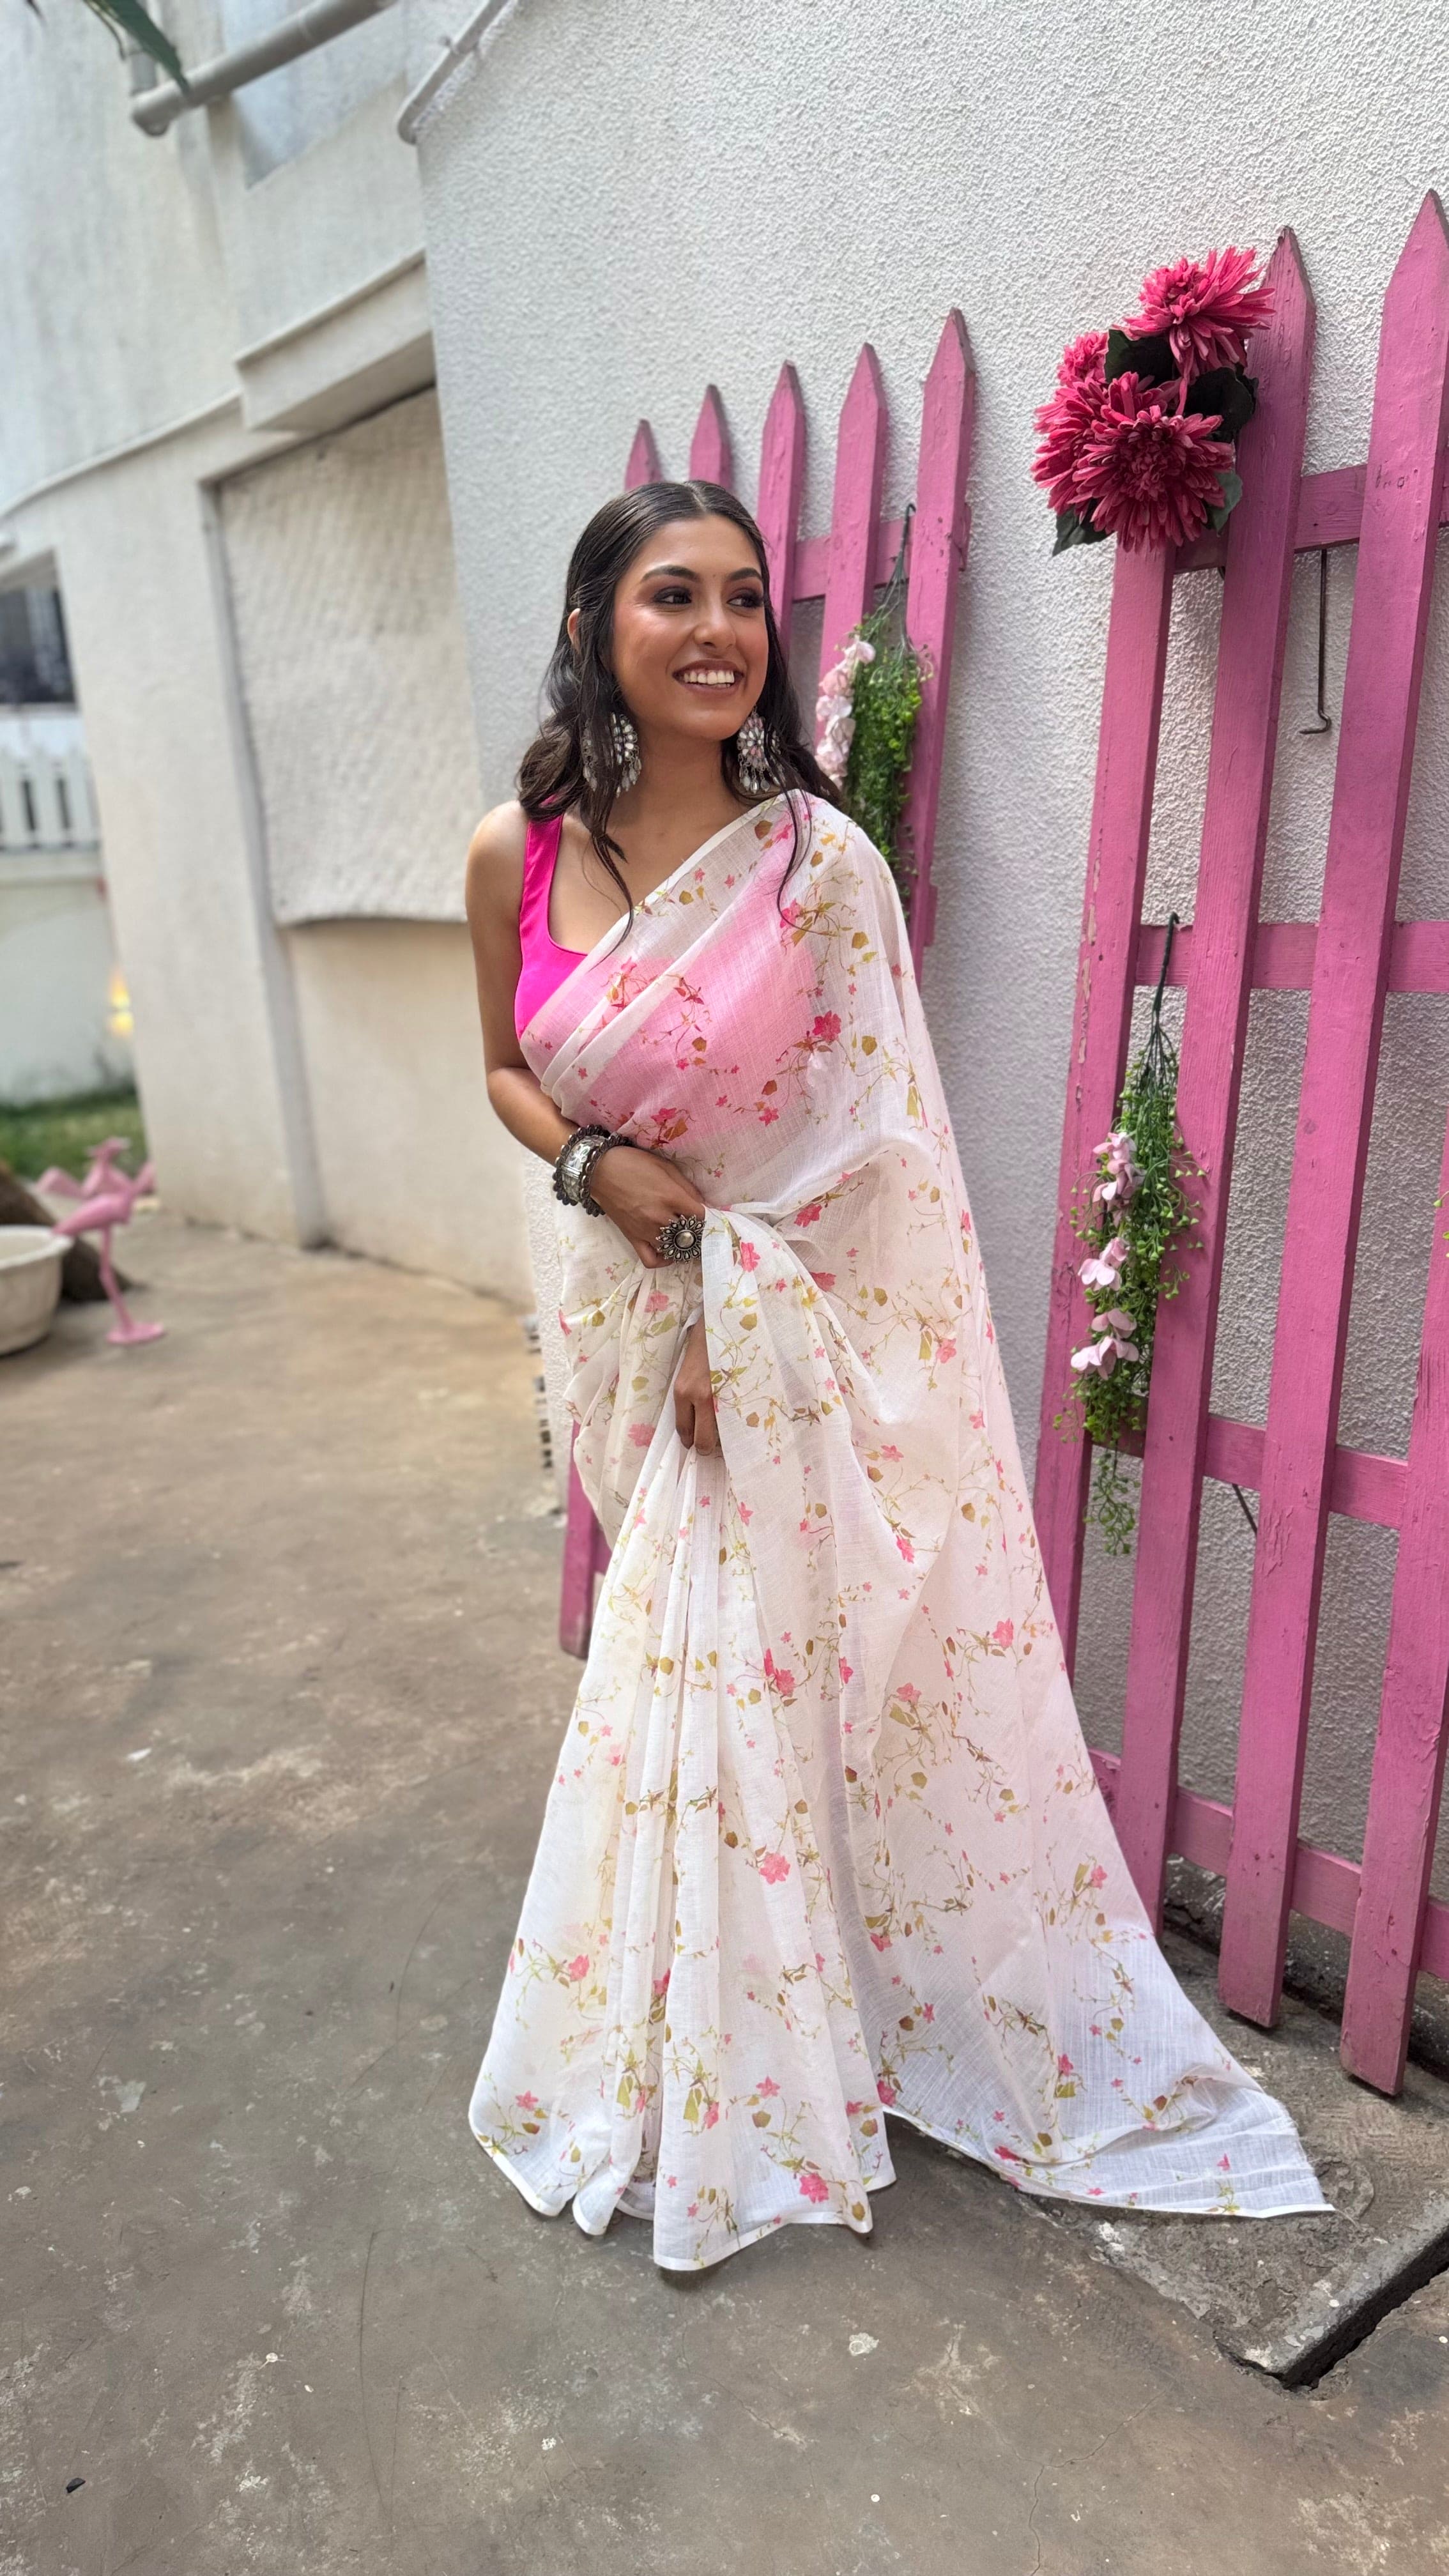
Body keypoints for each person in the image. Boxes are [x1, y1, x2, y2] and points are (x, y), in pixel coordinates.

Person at [462, 478, 1327, 2272]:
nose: (716, 631)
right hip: (626, 1314)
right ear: (587, 630)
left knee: (747, 1677)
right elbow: (509, 1071)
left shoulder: (812, 865)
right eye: (669, 596)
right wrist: (588, 1172)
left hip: (776, 1332)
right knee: (694, 1682)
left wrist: (735, 1303)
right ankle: (741, 2018)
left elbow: (874, 1143)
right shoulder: (517, 853)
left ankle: (767, 2055)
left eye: (744, 599)